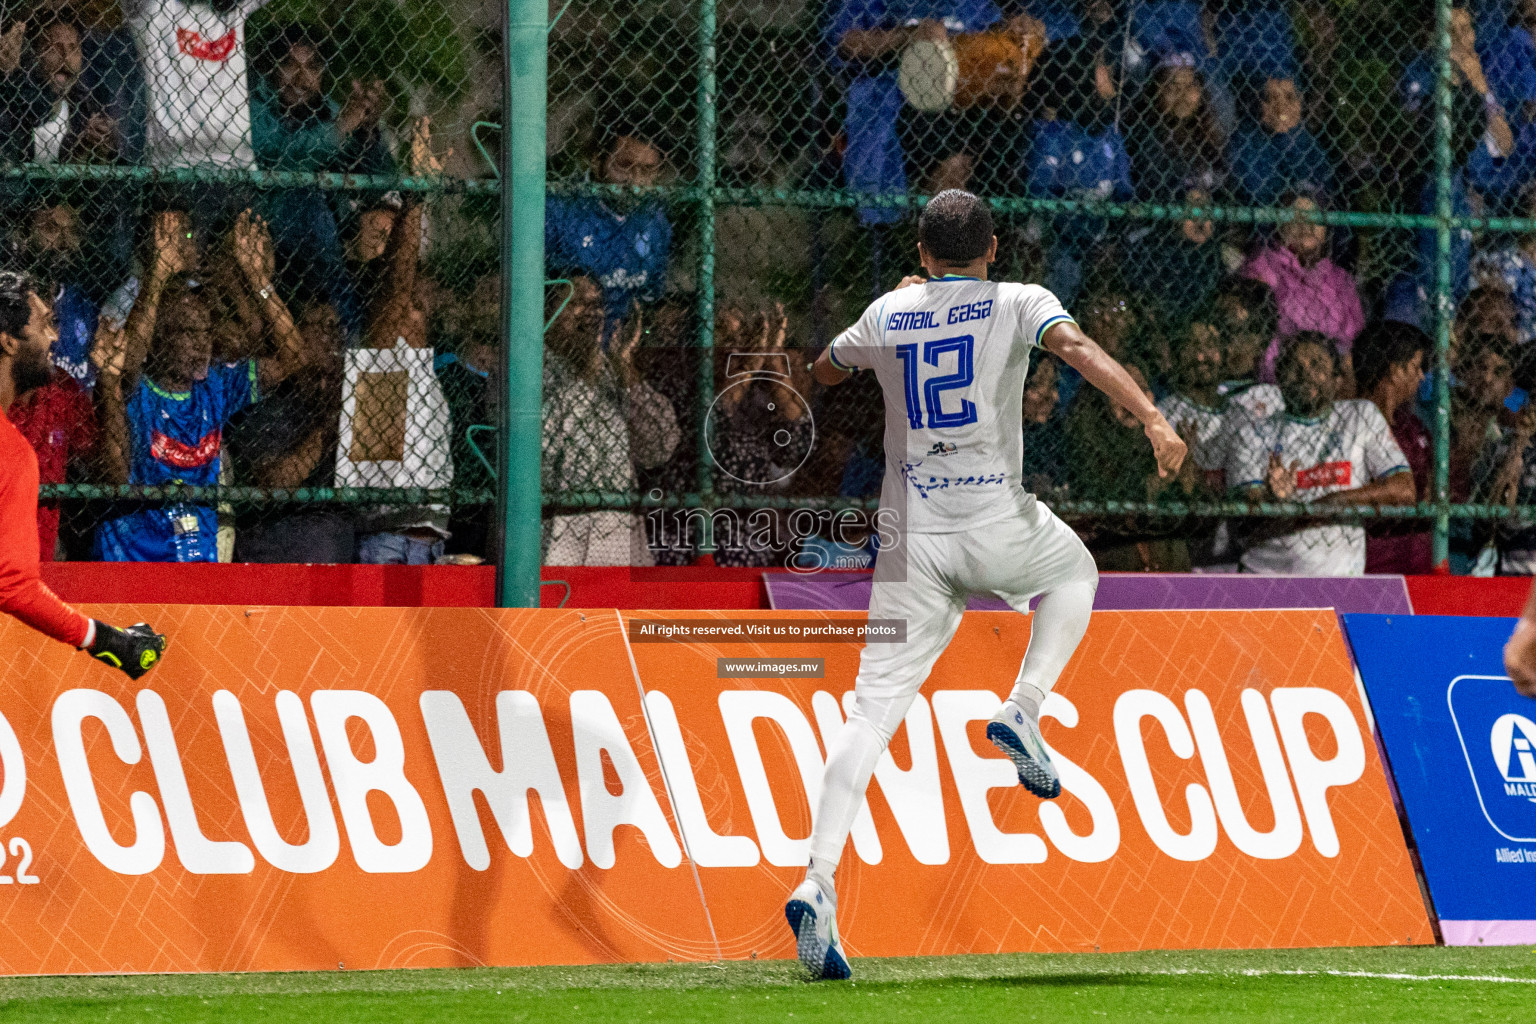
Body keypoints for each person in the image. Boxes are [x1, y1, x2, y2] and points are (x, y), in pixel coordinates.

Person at [789, 189, 1185, 980]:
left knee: (869, 714)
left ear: (925, 253)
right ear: (994, 248)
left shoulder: (890, 312)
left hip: (913, 542)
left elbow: (823, 372)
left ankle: (817, 877)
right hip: (995, 522)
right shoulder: (1019, 300)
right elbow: (1075, 350)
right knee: (1075, 570)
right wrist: (1150, 415)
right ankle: (1024, 706)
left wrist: (897, 308)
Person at [93, 210, 307, 561]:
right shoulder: (134, 389)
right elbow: (129, 359)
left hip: (196, 563)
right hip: (134, 561)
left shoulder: (216, 387)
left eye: (206, 331)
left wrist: (257, 281)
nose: (202, 343)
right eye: (187, 333)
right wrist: (159, 275)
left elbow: (293, 360)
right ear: (160, 340)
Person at [0, 269, 165, 676]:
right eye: (44, 327)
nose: (56, 339)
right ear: (8, 342)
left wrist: (107, 381)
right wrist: (110, 642)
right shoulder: (13, 454)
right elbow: (14, 585)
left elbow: (112, 472)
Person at [1225, 332, 1414, 575]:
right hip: (1266, 578)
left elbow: (1404, 489)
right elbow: (1247, 526)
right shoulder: (1251, 435)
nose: (1305, 374)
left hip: (1341, 580)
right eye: (1294, 366)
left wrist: (1328, 504)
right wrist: (1274, 501)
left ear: (1337, 380)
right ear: (1280, 377)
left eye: (1317, 364)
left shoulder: (1359, 416)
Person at [545, 125, 671, 327]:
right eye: (624, 166)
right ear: (597, 162)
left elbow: (651, 300)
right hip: (564, 343)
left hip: (626, 342)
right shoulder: (558, 209)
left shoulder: (655, 219)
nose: (636, 182)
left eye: (647, 170)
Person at [1241, 190, 1364, 388]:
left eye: (1315, 217)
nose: (1306, 225)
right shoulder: (1263, 267)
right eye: (1296, 217)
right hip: (1277, 381)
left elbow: (1351, 342)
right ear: (1280, 226)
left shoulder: (1340, 280)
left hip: (1329, 382)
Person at [1355, 321, 1432, 574]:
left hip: (1417, 563)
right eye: (1416, 367)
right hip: (1370, 561)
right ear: (1395, 370)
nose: (1421, 376)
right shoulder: (1351, 424)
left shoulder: (1413, 428)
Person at [1229, 75, 1332, 207]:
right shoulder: (1245, 142)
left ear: (1300, 102)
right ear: (1258, 103)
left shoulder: (1309, 145)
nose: (1281, 108)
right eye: (1270, 98)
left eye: (1290, 98)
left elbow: (1327, 194)